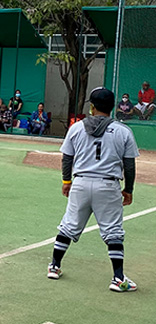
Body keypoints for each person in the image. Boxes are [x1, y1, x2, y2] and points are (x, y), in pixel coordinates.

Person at [47, 87, 139, 293]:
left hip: (80, 183)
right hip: (108, 185)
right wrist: (129, 189)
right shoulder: (123, 131)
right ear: (113, 106)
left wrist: (66, 181)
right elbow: (129, 165)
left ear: (92, 106)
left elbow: (67, 158)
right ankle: (118, 278)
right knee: (113, 231)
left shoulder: (76, 128)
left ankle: (54, 266)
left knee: (69, 225)